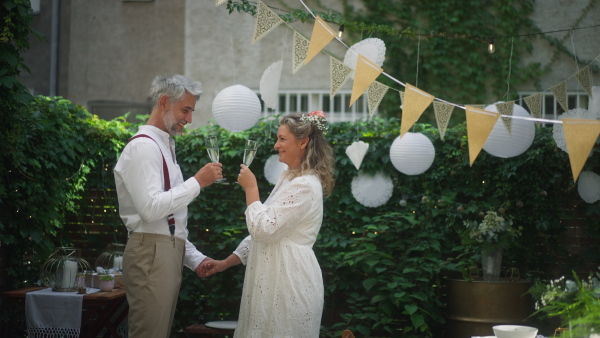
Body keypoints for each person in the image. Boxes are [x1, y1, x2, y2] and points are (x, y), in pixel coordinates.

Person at [203, 111, 335, 337]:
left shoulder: (304, 185)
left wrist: (251, 189)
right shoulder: (289, 178)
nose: (276, 145)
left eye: (282, 139)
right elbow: (267, 230)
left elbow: (263, 230)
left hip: (289, 283)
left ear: (303, 142)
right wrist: (226, 263)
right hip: (270, 279)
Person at [113, 74, 223, 337]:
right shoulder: (143, 147)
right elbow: (150, 210)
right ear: (164, 102)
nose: (189, 118)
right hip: (151, 254)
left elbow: (168, 222)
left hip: (161, 253)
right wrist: (197, 182)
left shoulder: (164, 147)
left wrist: (194, 259)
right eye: (185, 109)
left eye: (191, 111)